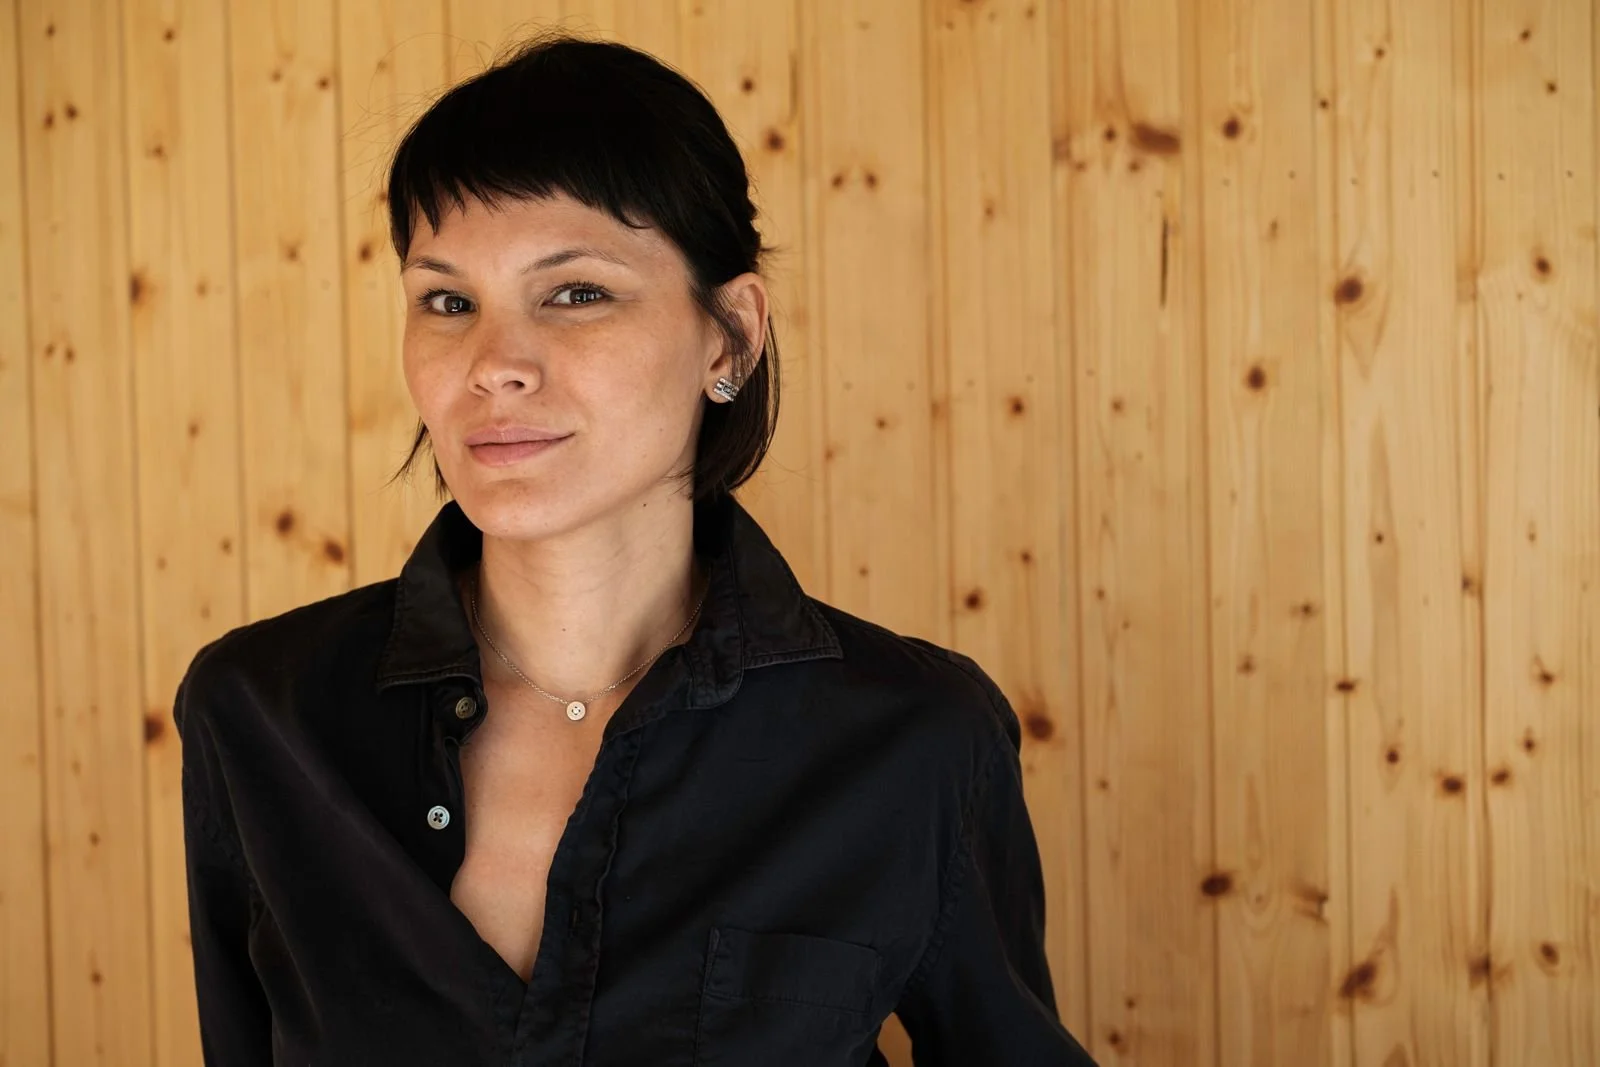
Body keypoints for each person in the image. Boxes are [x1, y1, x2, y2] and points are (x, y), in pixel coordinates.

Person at [173, 29, 1096, 1067]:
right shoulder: (259, 712)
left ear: (729, 335)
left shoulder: (915, 738)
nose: (494, 364)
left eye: (575, 292)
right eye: (447, 300)